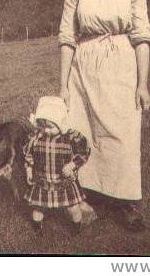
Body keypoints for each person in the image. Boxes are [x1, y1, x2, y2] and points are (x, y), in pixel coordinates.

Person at [58, 0, 150, 231]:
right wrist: (63, 85)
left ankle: (127, 202)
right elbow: (67, 38)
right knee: (84, 132)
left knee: (122, 133)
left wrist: (143, 83)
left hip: (121, 64)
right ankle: (89, 194)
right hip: (84, 66)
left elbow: (142, 37)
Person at [23, 96, 90, 235]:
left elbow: (85, 151)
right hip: (42, 180)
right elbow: (28, 154)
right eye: (43, 126)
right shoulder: (36, 137)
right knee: (38, 207)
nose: (46, 130)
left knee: (73, 207)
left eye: (50, 127)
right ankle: (37, 228)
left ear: (61, 123)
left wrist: (73, 164)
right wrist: (29, 170)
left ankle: (77, 227)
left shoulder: (71, 137)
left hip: (64, 181)